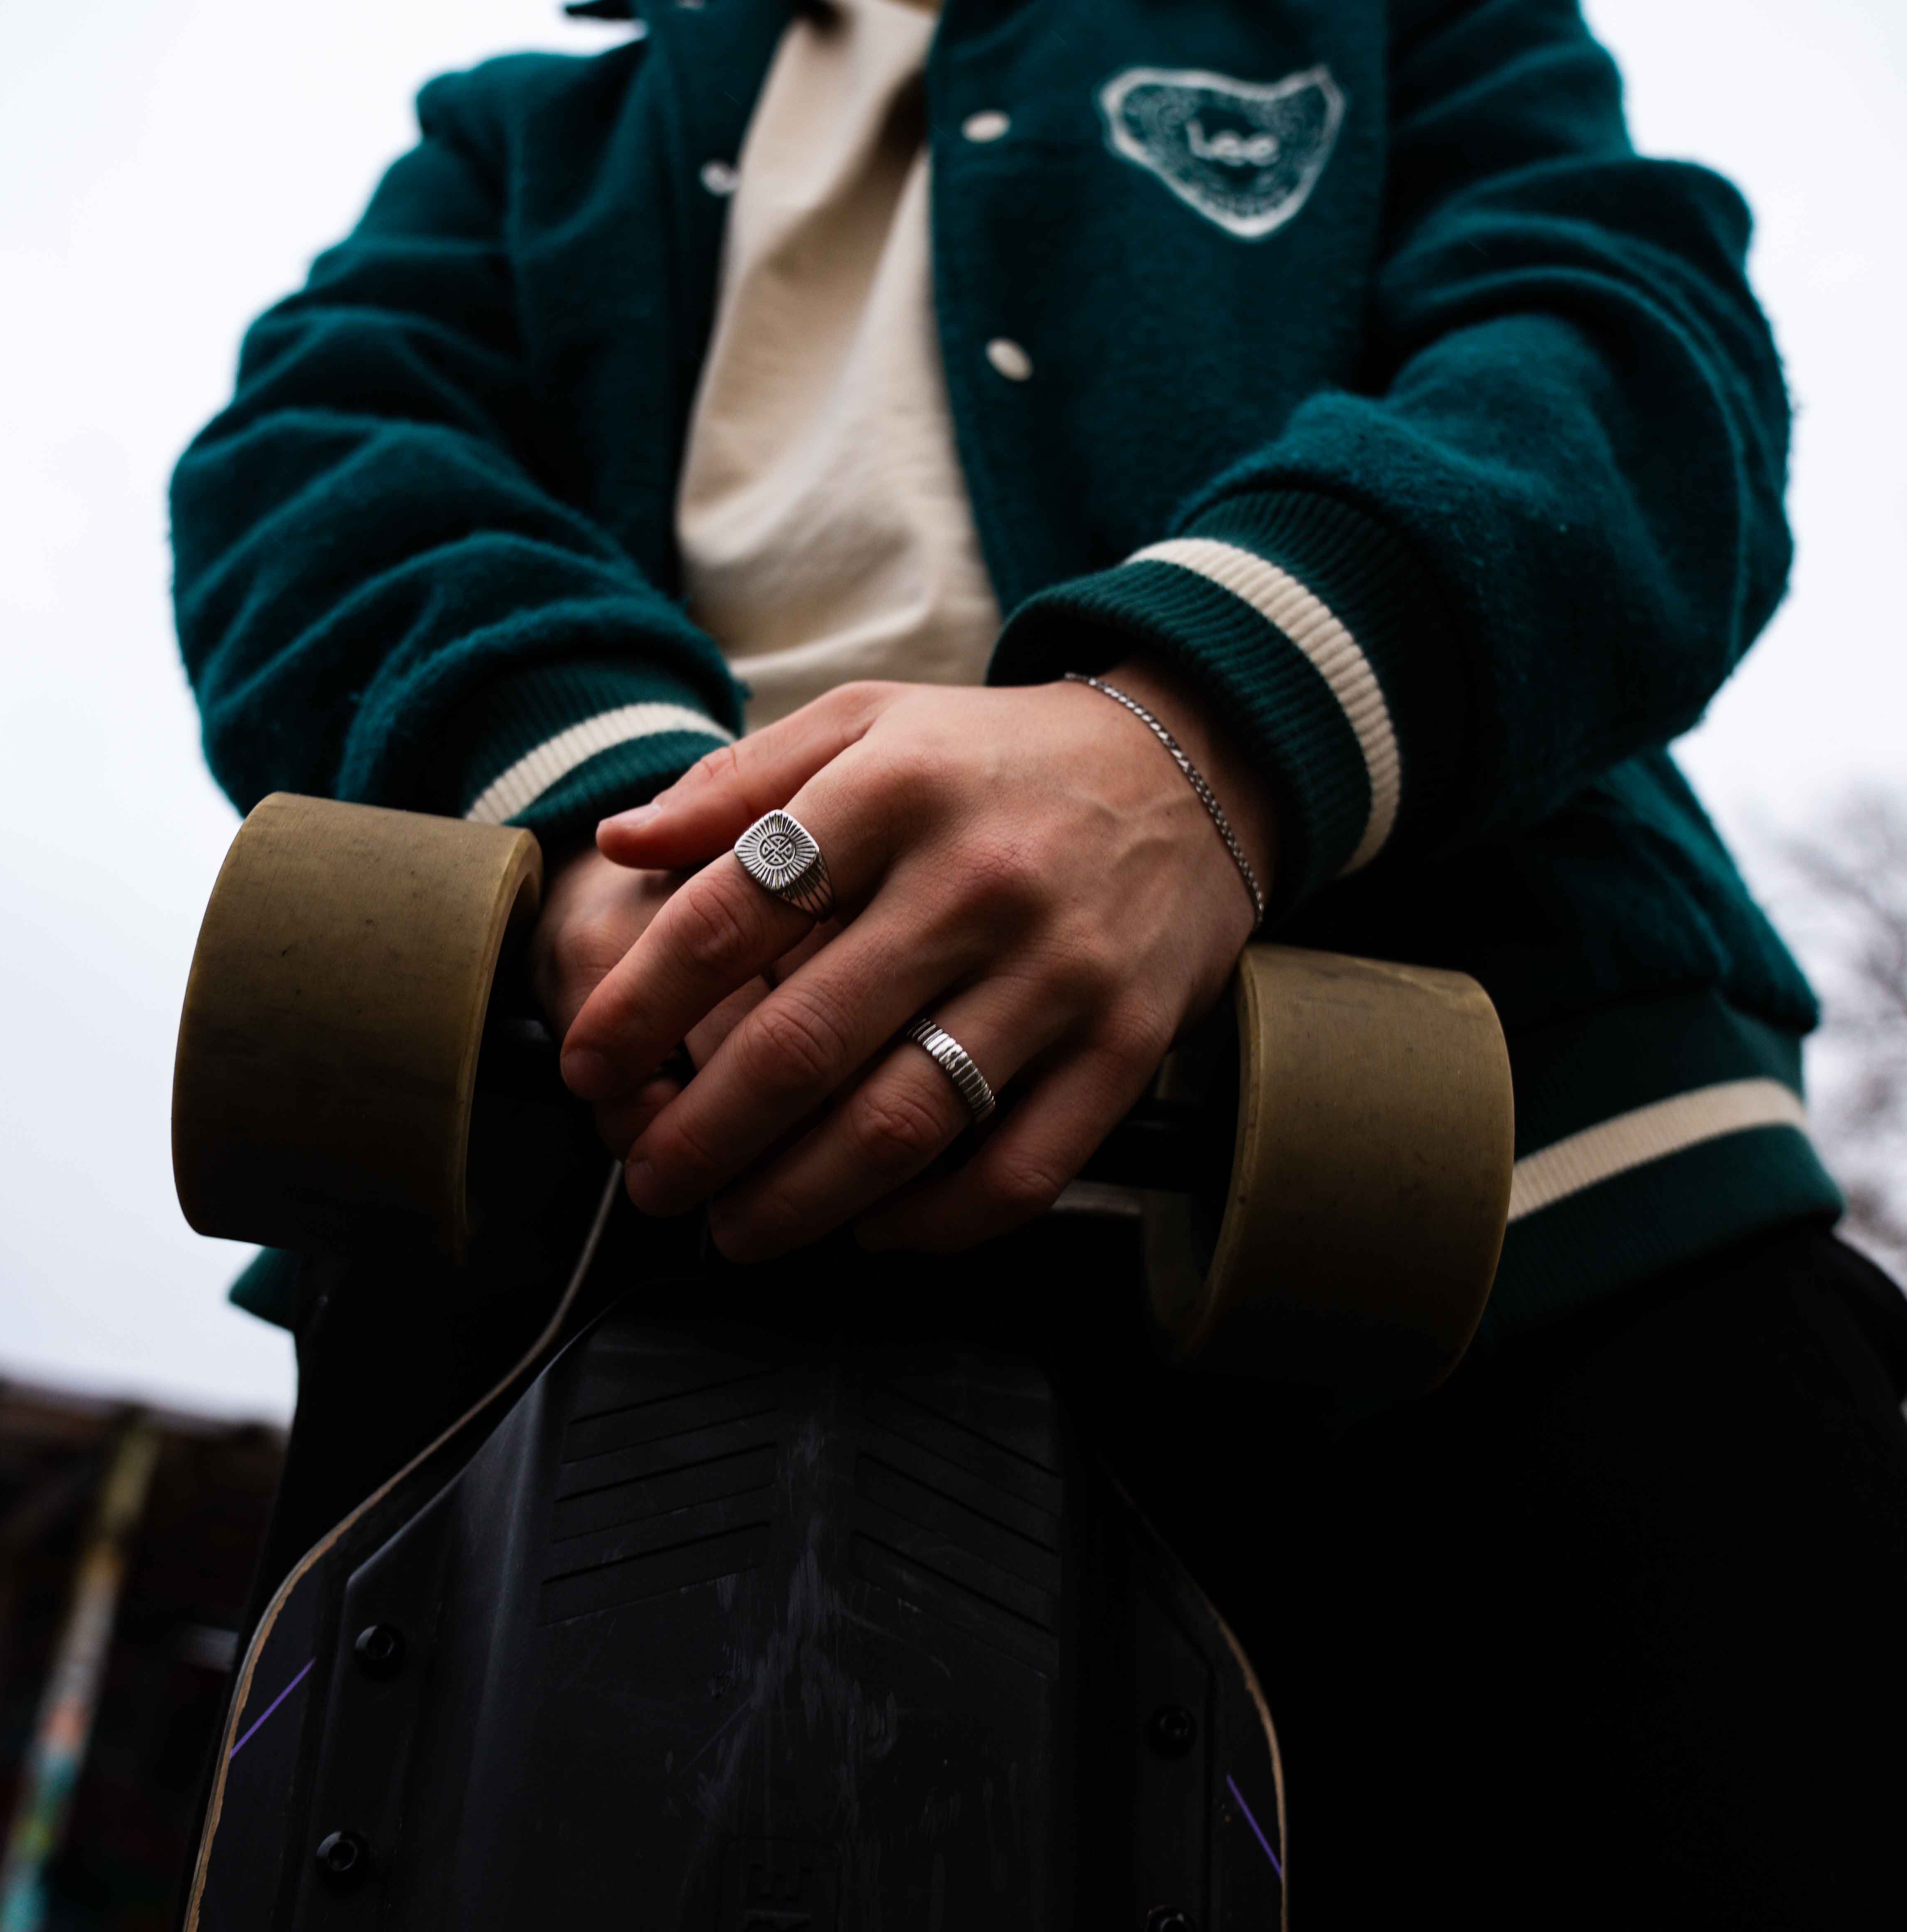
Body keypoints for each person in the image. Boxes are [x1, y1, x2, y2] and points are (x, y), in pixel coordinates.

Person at [171, 0, 1907, 1922]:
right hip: (594, 1203)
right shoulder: (522, 136)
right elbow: (313, 460)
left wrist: (1202, 743)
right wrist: (637, 838)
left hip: (1541, 1209)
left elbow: (1625, 346)